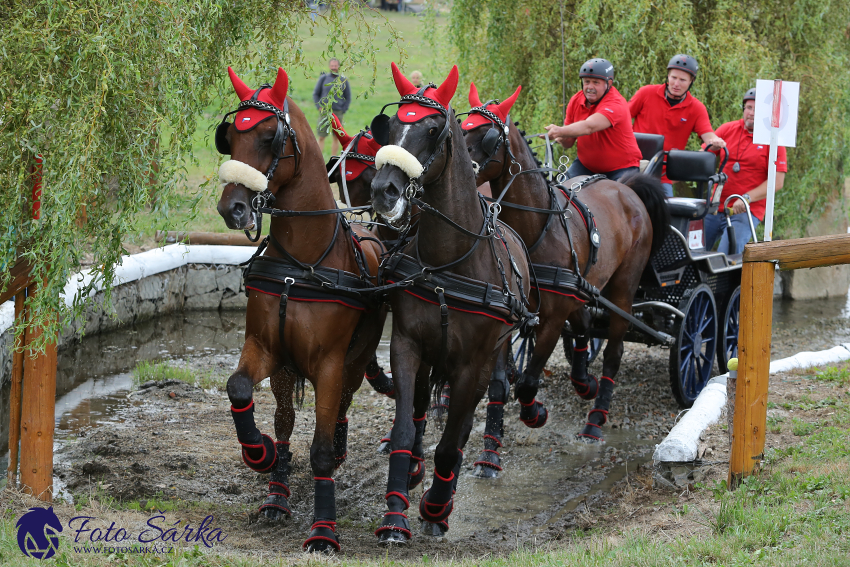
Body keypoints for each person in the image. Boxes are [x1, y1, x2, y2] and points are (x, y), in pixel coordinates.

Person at [702, 88, 787, 255]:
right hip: (715, 205)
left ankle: (727, 280)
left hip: (745, 210)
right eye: (749, 107)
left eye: (757, 110)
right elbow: (702, 157)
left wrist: (747, 198)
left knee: (727, 254)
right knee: (690, 250)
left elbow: (777, 182)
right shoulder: (727, 129)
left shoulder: (774, 140)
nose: (752, 113)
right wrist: (709, 147)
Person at [629, 54, 726, 197]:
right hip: (632, 165)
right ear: (667, 76)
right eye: (673, 78)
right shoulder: (646, 93)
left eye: (682, 80)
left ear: (691, 81)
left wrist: (716, 142)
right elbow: (622, 118)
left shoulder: (696, 108)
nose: (676, 84)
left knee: (666, 212)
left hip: (662, 176)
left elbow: (708, 135)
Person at [544, 58, 642, 182]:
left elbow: (589, 126)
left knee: (613, 199)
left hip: (621, 169)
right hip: (585, 166)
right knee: (560, 191)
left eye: (596, 82)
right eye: (586, 82)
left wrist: (560, 131)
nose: (590, 87)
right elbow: (568, 143)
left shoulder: (616, 103)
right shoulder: (576, 100)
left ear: (609, 83)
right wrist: (562, 137)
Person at [313, 58, 351, 154]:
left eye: (335, 65)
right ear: (329, 66)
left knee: (336, 137)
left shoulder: (343, 80)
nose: (334, 67)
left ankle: (333, 158)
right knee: (321, 136)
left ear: (339, 66)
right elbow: (316, 94)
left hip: (338, 112)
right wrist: (319, 107)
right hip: (325, 111)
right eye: (332, 65)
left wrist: (343, 109)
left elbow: (348, 97)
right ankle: (319, 157)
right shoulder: (324, 78)